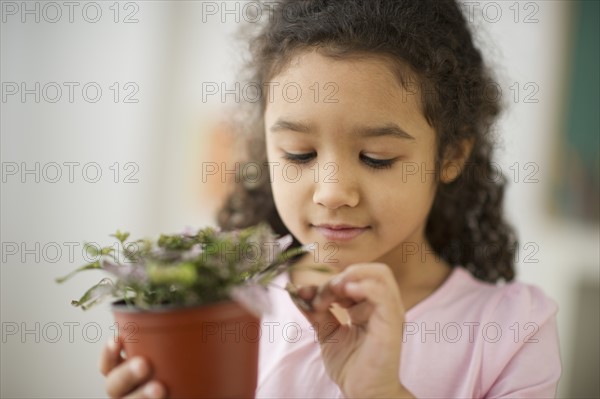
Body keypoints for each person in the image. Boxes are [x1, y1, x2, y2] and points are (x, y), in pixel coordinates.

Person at [99, 1, 562, 398]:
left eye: (376, 158)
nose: (332, 192)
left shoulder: (512, 332)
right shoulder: (226, 306)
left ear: (451, 154)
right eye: (299, 154)